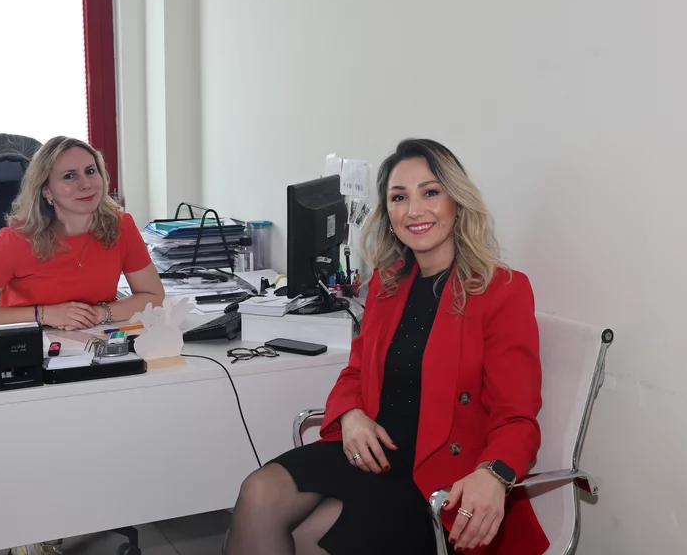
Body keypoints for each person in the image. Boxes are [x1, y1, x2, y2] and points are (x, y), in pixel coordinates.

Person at [224, 139, 548, 555]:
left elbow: (517, 417)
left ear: (457, 203)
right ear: (389, 214)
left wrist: (494, 473)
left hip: (438, 475)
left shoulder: (501, 290)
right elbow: (356, 372)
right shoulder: (388, 281)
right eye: (399, 197)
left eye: (430, 192)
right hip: (374, 451)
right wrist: (351, 415)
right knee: (258, 494)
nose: (414, 210)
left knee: (309, 541)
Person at [0, 136, 164, 332]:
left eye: (90, 171)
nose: (86, 184)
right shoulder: (16, 240)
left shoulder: (121, 226)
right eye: (69, 176)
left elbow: (153, 296)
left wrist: (99, 314)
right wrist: (45, 315)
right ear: (47, 191)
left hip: (95, 340)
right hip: (28, 343)